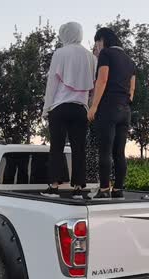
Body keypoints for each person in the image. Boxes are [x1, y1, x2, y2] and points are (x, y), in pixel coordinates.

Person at [41, 22, 96, 199]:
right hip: (81, 108)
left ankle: (54, 186)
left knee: (56, 147)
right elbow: (93, 86)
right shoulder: (91, 57)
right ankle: (79, 187)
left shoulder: (60, 53)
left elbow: (52, 83)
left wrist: (46, 107)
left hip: (59, 107)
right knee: (79, 148)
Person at [88, 27, 136, 199]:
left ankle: (103, 189)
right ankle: (118, 189)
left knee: (105, 150)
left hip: (108, 108)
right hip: (125, 110)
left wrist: (93, 106)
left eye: (97, 42)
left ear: (103, 39)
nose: (97, 46)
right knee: (119, 152)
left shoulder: (106, 54)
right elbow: (132, 89)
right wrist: (125, 101)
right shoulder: (130, 61)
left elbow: (102, 80)